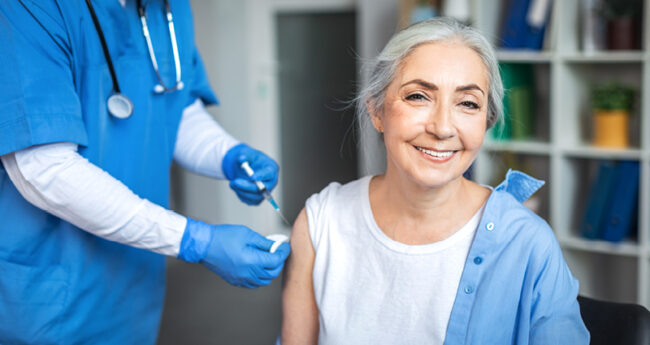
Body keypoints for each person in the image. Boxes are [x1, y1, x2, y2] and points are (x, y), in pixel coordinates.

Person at [281, 18, 589, 344]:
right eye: (418, 96)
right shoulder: (321, 224)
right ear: (376, 111)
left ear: (486, 123)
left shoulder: (528, 243)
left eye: (467, 103)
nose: (442, 128)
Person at [0, 0, 289, 343]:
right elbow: (46, 167)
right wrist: (195, 240)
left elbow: (177, 109)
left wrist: (229, 155)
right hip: (48, 292)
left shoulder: (171, 9)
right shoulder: (28, 8)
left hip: (132, 288)